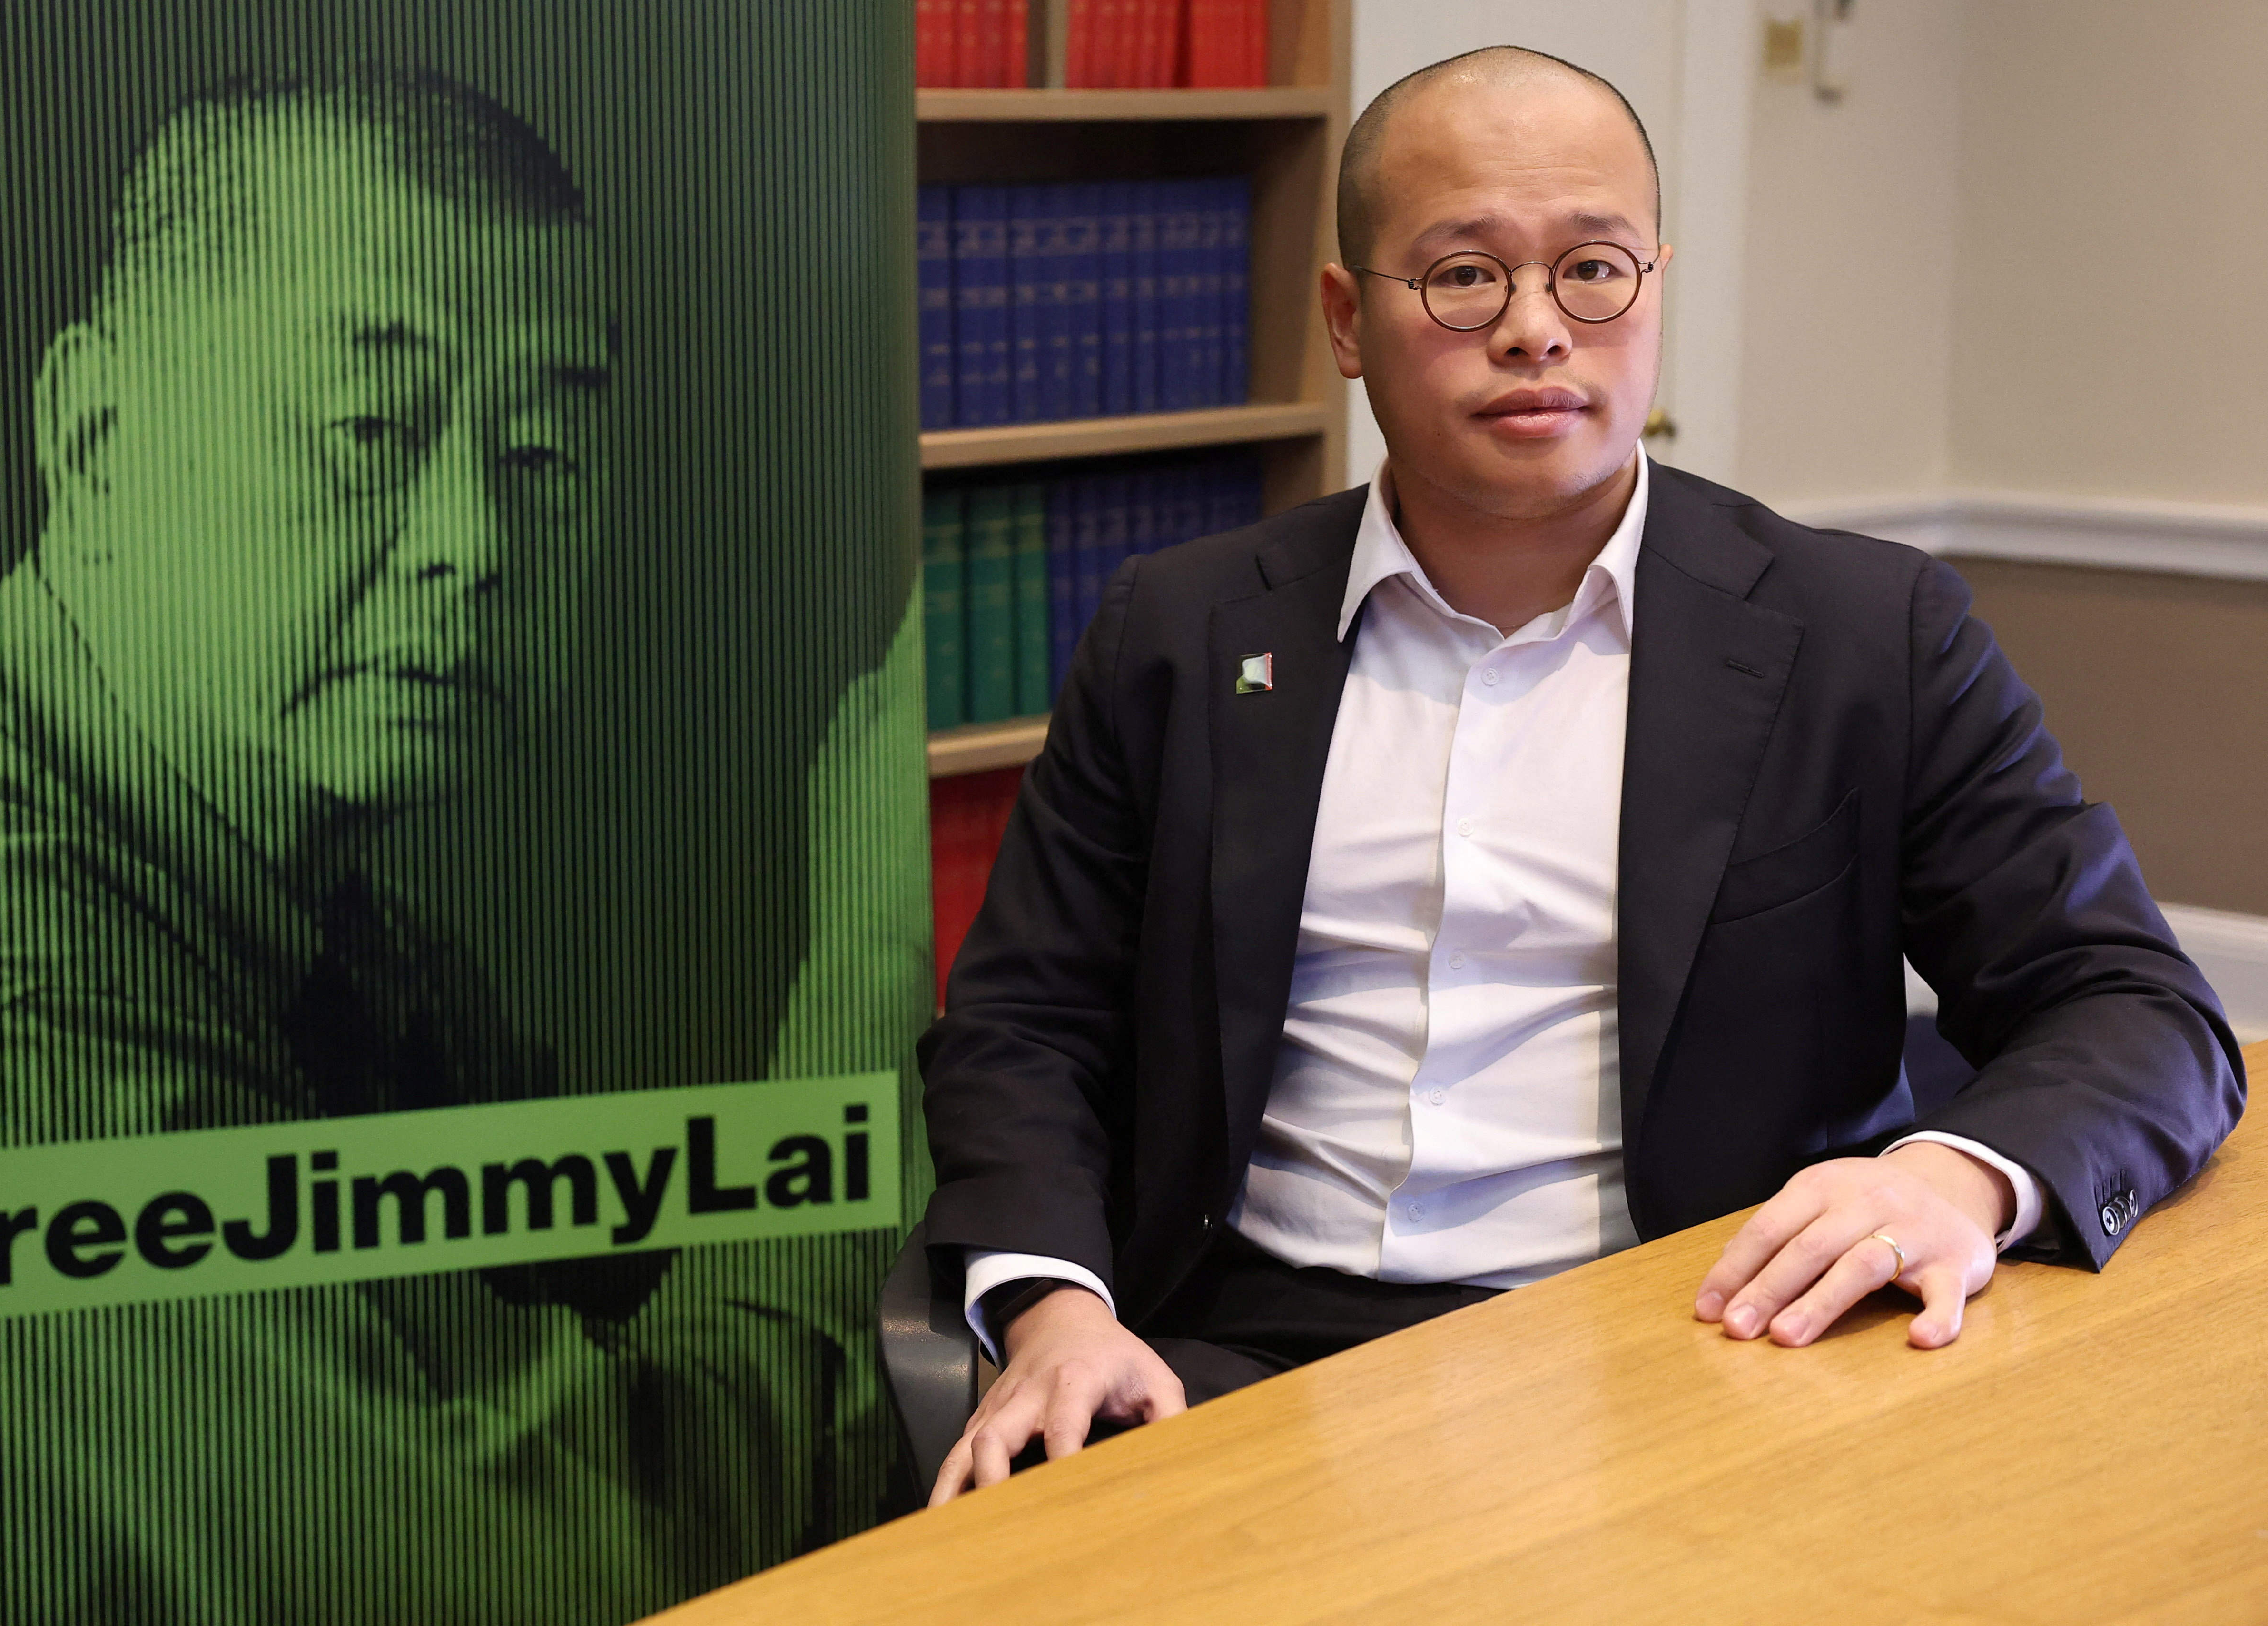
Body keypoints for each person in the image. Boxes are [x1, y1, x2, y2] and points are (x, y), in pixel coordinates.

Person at [917, 45, 2244, 1503]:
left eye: (1593, 270)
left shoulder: (1865, 634)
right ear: (1347, 321)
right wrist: (1055, 1309)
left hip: (1709, 1336)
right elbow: (1026, 1022)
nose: (1536, 330)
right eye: (1463, 276)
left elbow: (2130, 1003)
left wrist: (1948, 1181)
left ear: (1654, 290)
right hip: (1237, 1356)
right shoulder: (1179, 630)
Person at [0, 67, 841, 1619]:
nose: (474, 543)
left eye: (543, 456)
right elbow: (592, 1577)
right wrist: (872, 965)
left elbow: (593, 1321)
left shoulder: (349, 937)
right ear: (96, 439)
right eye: (369, 427)